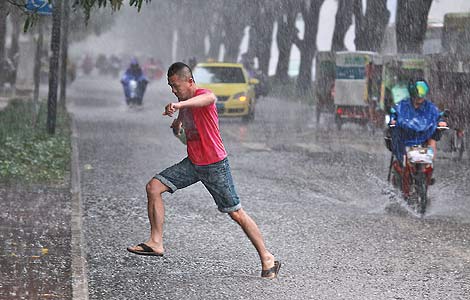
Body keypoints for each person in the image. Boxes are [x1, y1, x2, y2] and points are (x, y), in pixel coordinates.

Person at [127, 62, 281, 278]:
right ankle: (156, 242)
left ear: (190, 82)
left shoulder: (203, 95)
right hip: (193, 164)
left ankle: (267, 257)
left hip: (215, 165)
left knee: (236, 213)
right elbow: (186, 111)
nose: (173, 90)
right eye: (170, 86)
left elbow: (206, 99)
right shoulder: (184, 101)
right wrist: (178, 123)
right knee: (153, 187)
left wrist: (180, 107)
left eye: (176, 85)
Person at [388, 79, 447, 164]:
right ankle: (403, 163)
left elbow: (437, 115)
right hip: (405, 136)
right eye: (417, 96)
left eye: (421, 97)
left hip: (424, 136)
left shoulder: (430, 107)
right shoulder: (403, 105)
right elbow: (394, 113)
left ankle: (428, 168)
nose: (419, 99)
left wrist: (441, 122)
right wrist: (393, 120)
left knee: (433, 139)